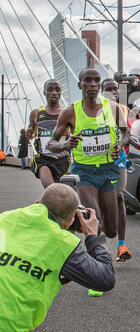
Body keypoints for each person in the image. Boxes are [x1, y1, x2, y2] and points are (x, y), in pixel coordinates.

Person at [48, 68, 130, 296]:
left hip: (107, 170)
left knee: (111, 230)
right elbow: (51, 144)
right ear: (80, 85)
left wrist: (119, 145)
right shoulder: (70, 112)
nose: (93, 84)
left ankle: (89, 246)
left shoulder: (113, 109)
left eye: (96, 81)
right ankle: (96, 274)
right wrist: (65, 145)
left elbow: (126, 133)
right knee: (95, 217)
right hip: (83, 172)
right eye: (88, 81)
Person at [0, 183, 115, 332]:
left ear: (37, 204)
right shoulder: (63, 244)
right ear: (70, 222)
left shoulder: (5, 217)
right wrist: (93, 237)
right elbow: (105, 279)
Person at [101, 77, 133, 262]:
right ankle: (101, 246)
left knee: (119, 196)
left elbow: (127, 133)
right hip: (98, 162)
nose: (113, 92)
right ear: (101, 91)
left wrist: (121, 145)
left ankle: (121, 245)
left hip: (118, 159)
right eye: (109, 89)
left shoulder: (121, 110)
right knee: (102, 204)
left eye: (115, 90)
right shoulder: (94, 110)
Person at [26, 79, 71, 188]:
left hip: (63, 159)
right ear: (44, 92)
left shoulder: (68, 113)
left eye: (57, 90)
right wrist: (29, 134)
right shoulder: (36, 113)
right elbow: (31, 134)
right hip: (43, 158)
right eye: (50, 90)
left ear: (61, 92)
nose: (54, 93)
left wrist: (68, 136)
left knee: (60, 193)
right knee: (50, 188)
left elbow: (75, 137)